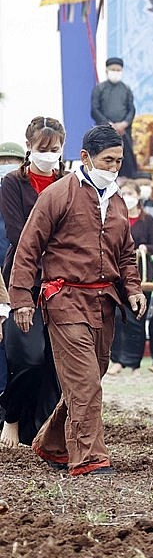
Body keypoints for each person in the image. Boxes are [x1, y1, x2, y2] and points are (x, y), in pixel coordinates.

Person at [9, 124, 146, 476]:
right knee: (84, 382)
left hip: (105, 303)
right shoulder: (58, 194)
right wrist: (22, 297)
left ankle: (53, 445)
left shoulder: (116, 200)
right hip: (64, 298)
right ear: (85, 157)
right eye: (107, 160)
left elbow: (127, 255)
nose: (114, 167)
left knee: (91, 377)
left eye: (118, 161)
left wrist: (132, 290)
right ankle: (89, 458)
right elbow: (28, 247)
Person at [0, 118, 66, 450]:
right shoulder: (13, 184)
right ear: (29, 147)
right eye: (43, 149)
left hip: (63, 281)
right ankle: (12, 417)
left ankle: (41, 431)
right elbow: (17, 233)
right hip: (25, 279)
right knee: (28, 355)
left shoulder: (69, 182)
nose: (50, 155)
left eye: (55, 149)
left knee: (56, 362)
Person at [108, 180, 153, 375]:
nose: (127, 197)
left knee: (137, 319)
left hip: (141, 275)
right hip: (117, 274)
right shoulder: (117, 216)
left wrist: (145, 248)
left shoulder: (148, 220)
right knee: (118, 318)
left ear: (138, 196)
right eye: (125, 193)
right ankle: (117, 360)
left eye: (131, 193)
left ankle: (133, 362)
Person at [0, 140, 24, 419]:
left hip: (21, 283)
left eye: (11, 160)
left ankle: (15, 415)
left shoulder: (24, 196)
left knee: (19, 353)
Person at [91, 57, 138, 178]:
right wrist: (108, 125)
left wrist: (124, 124)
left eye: (118, 70)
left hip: (124, 132)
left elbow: (131, 109)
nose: (115, 72)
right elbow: (94, 110)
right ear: (107, 70)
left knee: (126, 160)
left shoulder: (126, 89)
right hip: (105, 132)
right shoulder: (99, 89)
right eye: (113, 69)